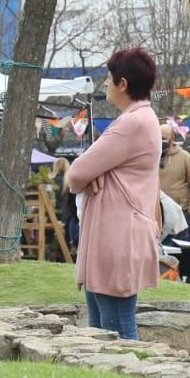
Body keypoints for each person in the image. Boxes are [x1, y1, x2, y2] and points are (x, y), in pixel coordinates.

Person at [66, 48, 163, 340]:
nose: (105, 84)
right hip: (112, 235)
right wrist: (94, 175)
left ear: (123, 84)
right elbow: (86, 172)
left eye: (109, 78)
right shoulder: (140, 119)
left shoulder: (131, 123)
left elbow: (76, 173)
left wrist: (90, 176)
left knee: (115, 328)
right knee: (101, 328)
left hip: (117, 236)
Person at [157, 125, 190, 223]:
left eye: (163, 138)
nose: (160, 141)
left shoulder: (184, 157)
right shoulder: (150, 157)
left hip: (180, 213)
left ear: (172, 139)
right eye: (157, 137)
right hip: (156, 214)